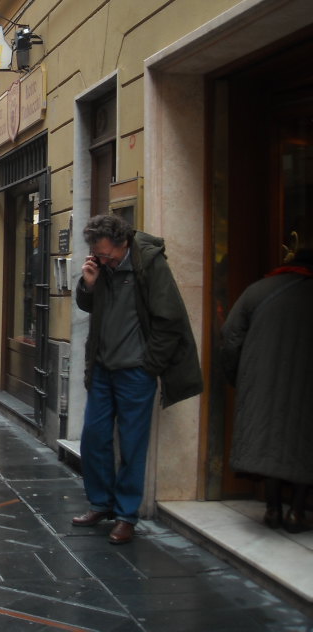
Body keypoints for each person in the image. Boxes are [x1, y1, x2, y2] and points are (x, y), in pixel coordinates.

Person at [73, 214, 202, 545]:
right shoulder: (102, 267)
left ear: (123, 243)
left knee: (132, 445)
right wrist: (88, 284)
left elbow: (170, 319)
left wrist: (150, 365)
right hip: (102, 368)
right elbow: (88, 306)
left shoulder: (150, 264)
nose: (102, 260)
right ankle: (101, 503)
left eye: (106, 254)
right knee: (93, 438)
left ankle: (126, 515)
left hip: (135, 372)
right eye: (97, 255)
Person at [219, 244, 313, 533]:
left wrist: (238, 377)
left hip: (262, 383)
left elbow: (230, 336)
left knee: (268, 441)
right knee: (304, 443)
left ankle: (273, 509)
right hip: (306, 384)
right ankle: (297, 511)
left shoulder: (258, 290)